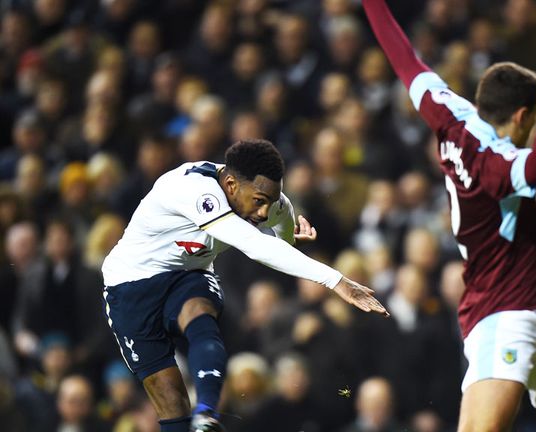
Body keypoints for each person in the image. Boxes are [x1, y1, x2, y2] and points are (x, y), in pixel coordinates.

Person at [361, 1, 536, 430]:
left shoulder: (451, 115)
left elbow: (405, 59)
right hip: (503, 318)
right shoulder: (498, 165)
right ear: (523, 116)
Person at [101, 139, 389, 432]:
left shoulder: (268, 200)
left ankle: (206, 415)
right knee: (169, 397)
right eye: (259, 201)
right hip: (130, 283)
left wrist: (289, 242)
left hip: (188, 274)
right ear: (230, 185)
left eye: (270, 202)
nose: (264, 212)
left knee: (199, 311)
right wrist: (336, 280)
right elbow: (256, 246)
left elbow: (281, 237)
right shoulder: (195, 191)